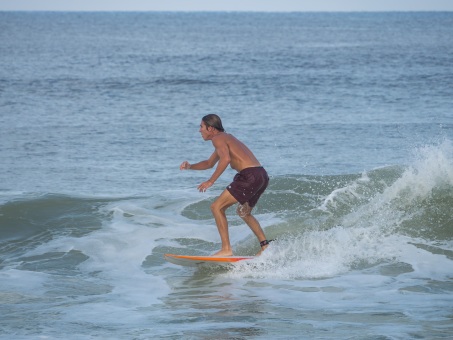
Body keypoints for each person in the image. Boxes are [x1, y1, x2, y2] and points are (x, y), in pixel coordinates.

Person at [180, 114, 271, 256]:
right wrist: (190, 166)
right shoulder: (225, 138)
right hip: (261, 175)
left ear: (210, 128)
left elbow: (226, 159)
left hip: (249, 175)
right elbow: (209, 163)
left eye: (201, 127)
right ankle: (265, 245)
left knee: (216, 207)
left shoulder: (218, 139)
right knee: (244, 212)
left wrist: (211, 181)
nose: (199, 130)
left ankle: (226, 249)